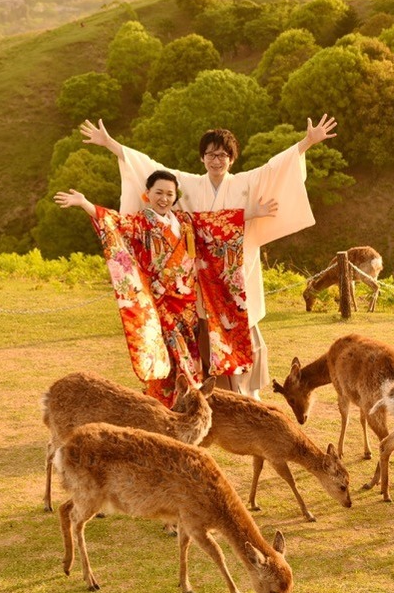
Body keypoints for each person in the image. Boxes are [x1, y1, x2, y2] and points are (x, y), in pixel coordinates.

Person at [79, 114, 337, 399]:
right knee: (201, 336)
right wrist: (111, 144)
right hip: (200, 280)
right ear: (202, 158)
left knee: (244, 333)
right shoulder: (187, 184)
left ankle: (247, 393)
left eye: (224, 155)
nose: (217, 160)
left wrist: (307, 143)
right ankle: (208, 394)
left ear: (232, 159)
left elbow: (274, 168)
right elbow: (150, 169)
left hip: (235, 275)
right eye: (212, 155)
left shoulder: (246, 183)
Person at [54, 171, 271, 406]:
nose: (164, 198)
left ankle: (170, 406)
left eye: (169, 194)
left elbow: (218, 221)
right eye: (158, 192)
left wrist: (254, 213)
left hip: (187, 308)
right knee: (175, 359)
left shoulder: (186, 222)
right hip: (162, 305)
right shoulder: (141, 223)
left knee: (188, 356)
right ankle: (181, 404)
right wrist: (85, 203)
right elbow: (113, 221)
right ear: (147, 194)